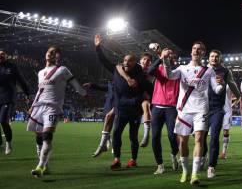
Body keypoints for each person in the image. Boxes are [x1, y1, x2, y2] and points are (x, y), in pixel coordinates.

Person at [163, 41, 221, 185]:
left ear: (203, 53)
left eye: (199, 49)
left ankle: (195, 174)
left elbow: (216, 89)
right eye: (194, 48)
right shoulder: (182, 69)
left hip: (201, 108)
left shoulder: (208, 71)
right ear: (191, 52)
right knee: (182, 141)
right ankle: (185, 171)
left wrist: (221, 85)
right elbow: (169, 75)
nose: (196, 51)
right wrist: (165, 60)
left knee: (199, 139)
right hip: (184, 109)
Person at [94, 35, 153, 170]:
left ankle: (133, 159)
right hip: (121, 109)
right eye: (125, 60)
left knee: (133, 136)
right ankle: (117, 159)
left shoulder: (140, 77)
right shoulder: (117, 70)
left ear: (135, 63)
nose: (127, 62)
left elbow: (151, 90)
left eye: (130, 61)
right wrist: (98, 47)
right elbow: (104, 61)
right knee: (116, 134)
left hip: (134, 111)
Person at [28, 46, 87, 177]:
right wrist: (32, 105)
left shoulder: (62, 70)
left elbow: (75, 84)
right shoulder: (40, 72)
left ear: (58, 57)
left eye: (55, 53)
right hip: (38, 107)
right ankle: (46, 165)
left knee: (47, 136)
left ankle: (40, 166)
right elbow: (39, 91)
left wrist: (84, 92)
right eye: (50, 51)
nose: (51, 54)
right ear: (46, 54)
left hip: (53, 107)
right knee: (38, 138)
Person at [201, 50, 240, 178]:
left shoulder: (225, 71)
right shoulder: (203, 70)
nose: (214, 58)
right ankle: (203, 156)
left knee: (214, 137)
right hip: (202, 108)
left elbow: (234, 87)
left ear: (220, 58)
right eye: (212, 56)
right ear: (209, 58)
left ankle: (211, 166)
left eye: (217, 56)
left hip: (217, 109)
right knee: (201, 137)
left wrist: (238, 96)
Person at [147, 48, 181, 175]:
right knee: (155, 137)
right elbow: (150, 71)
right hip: (157, 107)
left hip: (171, 107)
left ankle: (174, 154)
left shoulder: (178, 71)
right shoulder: (159, 68)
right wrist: (160, 58)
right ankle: (160, 165)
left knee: (172, 136)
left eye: (170, 53)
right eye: (166, 53)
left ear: (174, 57)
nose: (168, 55)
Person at [0, 49, 30, 155]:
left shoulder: (12, 67)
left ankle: (8, 143)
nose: (1, 56)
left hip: (8, 96)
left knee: (3, 120)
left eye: (3, 54)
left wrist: (27, 93)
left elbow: (21, 80)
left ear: (6, 56)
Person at [139, 53, 153, 147]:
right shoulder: (134, 69)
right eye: (144, 59)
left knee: (146, 105)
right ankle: (107, 140)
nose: (146, 62)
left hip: (145, 97)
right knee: (110, 115)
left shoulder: (151, 72)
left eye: (148, 60)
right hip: (131, 97)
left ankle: (146, 135)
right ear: (140, 60)